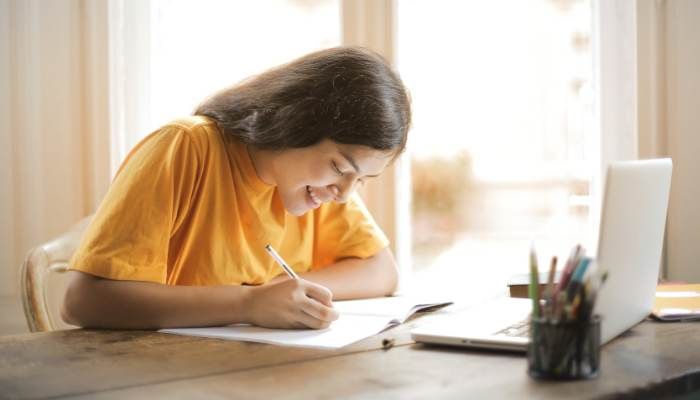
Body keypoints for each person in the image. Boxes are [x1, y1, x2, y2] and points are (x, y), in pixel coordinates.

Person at [61, 46, 412, 331]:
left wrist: (285, 293)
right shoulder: (185, 147)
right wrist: (249, 303)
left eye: (361, 180)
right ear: (295, 123)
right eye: (339, 168)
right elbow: (83, 301)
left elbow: (382, 271)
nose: (345, 193)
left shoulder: (318, 186)